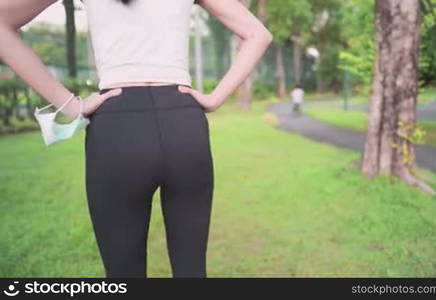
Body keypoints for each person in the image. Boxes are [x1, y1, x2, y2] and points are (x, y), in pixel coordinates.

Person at [0, 0, 272, 278]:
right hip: (184, 122)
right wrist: (214, 99)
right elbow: (258, 34)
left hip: (117, 127)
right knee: (192, 271)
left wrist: (71, 105)